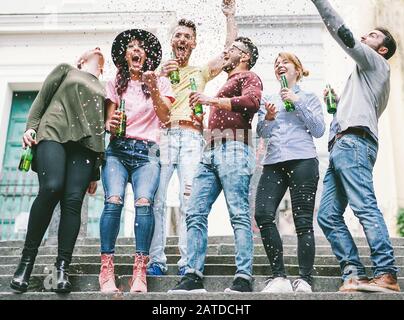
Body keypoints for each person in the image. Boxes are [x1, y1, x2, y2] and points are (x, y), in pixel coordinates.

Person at [310, 0, 400, 293]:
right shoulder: (362, 76)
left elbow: (343, 34)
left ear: (382, 49)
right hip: (342, 144)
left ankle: (386, 272)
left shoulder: (377, 64)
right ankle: (354, 271)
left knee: (364, 206)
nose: (365, 37)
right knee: (327, 215)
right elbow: (356, 111)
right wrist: (334, 107)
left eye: (373, 36)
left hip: (354, 145)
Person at [148, 0, 238, 277]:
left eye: (187, 36)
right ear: (171, 41)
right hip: (162, 136)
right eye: (178, 35)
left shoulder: (200, 71)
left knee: (189, 201)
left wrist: (229, 16)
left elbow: (228, 53)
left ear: (194, 43)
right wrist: (157, 78)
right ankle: (155, 261)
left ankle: (188, 263)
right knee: (156, 201)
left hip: (190, 137)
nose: (182, 39)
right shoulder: (157, 72)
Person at [168, 36, 262, 293]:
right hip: (209, 151)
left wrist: (210, 101)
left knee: (239, 213)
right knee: (195, 211)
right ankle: (192, 274)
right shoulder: (226, 82)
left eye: (232, 50)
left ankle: (243, 276)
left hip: (234, 147)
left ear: (244, 57)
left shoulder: (249, 78)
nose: (226, 52)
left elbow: (252, 103)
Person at [10, 48, 106, 294]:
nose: (98, 49)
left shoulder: (105, 89)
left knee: (73, 201)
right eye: (92, 50)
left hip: (85, 147)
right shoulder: (67, 70)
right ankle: (26, 263)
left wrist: (95, 171)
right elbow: (41, 99)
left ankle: (62, 268)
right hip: (54, 131)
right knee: (52, 187)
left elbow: (99, 129)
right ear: (81, 60)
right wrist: (31, 127)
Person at [98, 29, 174, 294]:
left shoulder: (161, 83)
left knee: (145, 203)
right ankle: (106, 268)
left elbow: (165, 119)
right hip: (118, 150)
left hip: (147, 152)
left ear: (147, 55)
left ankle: (140, 270)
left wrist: (152, 86)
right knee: (113, 201)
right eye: (132, 46)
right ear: (125, 54)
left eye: (141, 47)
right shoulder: (114, 83)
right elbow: (109, 123)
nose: (137, 50)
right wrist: (110, 123)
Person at [255, 52, 325, 293]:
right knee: (263, 214)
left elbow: (318, 130)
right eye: (276, 64)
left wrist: (296, 100)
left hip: (303, 161)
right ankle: (279, 277)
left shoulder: (309, 97)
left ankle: (305, 279)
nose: (279, 66)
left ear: (297, 69)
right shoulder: (268, 98)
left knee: (303, 220)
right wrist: (270, 118)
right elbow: (262, 132)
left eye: (284, 62)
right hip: (274, 162)